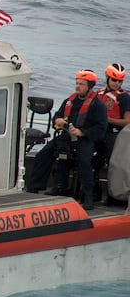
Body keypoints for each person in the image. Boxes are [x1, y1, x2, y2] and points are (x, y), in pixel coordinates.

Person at [26, 70, 108, 209]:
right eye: (77, 83)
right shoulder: (69, 101)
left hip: (85, 139)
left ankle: (88, 195)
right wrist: (57, 120)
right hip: (66, 136)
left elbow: (101, 128)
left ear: (89, 86)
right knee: (43, 155)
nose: (78, 86)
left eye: (81, 84)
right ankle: (35, 187)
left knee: (84, 161)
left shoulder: (98, 105)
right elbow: (57, 115)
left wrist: (82, 132)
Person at [93, 63, 130, 204]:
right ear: (107, 78)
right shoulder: (98, 94)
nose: (117, 83)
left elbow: (127, 121)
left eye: (120, 81)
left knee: (112, 164)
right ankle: (93, 192)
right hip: (97, 132)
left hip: (114, 134)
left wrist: (107, 119)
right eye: (114, 80)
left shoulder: (124, 97)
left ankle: (112, 197)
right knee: (92, 161)